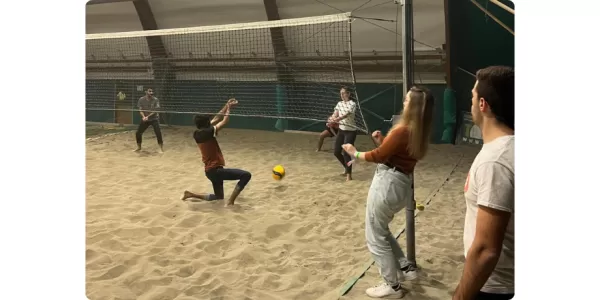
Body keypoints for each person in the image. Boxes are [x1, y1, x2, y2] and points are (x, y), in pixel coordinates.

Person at [341, 86, 434, 298]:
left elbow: (379, 156)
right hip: (401, 184)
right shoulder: (418, 131)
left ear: (413, 106)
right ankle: (405, 268)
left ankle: (392, 286)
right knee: (381, 229)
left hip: (388, 184)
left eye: (407, 100)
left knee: (374, 236)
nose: (404, 102)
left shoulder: (403, 130)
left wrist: (356, 153)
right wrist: (383, 141)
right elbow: (395, 154)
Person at [452, 66, 514, 300]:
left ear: (482, 105)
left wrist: (460, 297)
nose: (471, 102)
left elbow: (486, 251)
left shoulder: (495, 161)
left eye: (472, 97)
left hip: (496, 286)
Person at [181, 98, 252, 207]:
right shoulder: (208, 132)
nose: (211, 120)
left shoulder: (198, 133)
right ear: (206, 124)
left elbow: (217, 117)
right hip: (215, 170)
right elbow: (224, 121)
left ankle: (190, 194)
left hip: (210, 171)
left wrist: (226, 104)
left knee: (218, 196)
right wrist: (229, 109)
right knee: (246, 175)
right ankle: (231, 201)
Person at [332, 86, 358, 181]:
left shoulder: (352, 104)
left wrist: (337, 119)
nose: (342, 95)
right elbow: (335, 113)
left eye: (344, 93)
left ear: (348, 94)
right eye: (341, 93)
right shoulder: (339, 104)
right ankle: (347, 168)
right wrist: (332, 118)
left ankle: (349, 175)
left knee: (346, 153)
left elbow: (346, 114)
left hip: (351, 131)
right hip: (341, 130)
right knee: (336, 152)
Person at [134, 88, 164, 153]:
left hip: (154, 119)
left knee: (158, 133)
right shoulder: (141, 99)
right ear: (146, 92)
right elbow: (140, 109)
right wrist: (143, 117)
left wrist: (147, 116)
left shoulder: (155, 100)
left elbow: (155, 110)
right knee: (138, 133)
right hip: (145, 119)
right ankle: (139, 147)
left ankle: (160, 148)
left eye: (152, 91)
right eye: (149, 91)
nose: (151, 93)